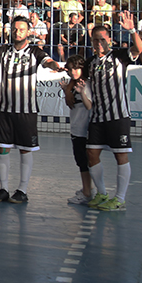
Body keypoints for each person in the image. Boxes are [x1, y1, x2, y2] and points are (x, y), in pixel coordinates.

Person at [0, 16, 63, 204]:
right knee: (2, 149)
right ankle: (3, 188)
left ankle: (22, 190)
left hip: (26, 111)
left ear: (28, 32)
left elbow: (47, 62)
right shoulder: (4, 50)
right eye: (14, 29)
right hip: (5, 110)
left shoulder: (35, 52)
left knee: (25, 150)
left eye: (21, 29)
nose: (17, 32)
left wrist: (56, 66)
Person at [84, 15, 142, 212]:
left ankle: (120, 198)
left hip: (118, 117)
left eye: (102, 39)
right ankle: (101, 193)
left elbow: (139, 49)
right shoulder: (90, 62)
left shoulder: (119, 56)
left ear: (109, 40)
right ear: (91, 41)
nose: (99, 43)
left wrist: (132, 30)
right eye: (95, 39)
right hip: (98, 117)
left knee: (121, 156)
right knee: (92, 154)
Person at [60, 55, 93, 205]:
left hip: (85, 129)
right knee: (81, 161)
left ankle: (87, 192)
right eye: (71, 69)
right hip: (76, 128)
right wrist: (66, 90)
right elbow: (73, 105)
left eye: (77, 68)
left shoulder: (86, 84)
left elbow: (89, 106)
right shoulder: (73, 85)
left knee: (85, 162)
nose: (74, 72)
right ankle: (87, 189)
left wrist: (82, 93)